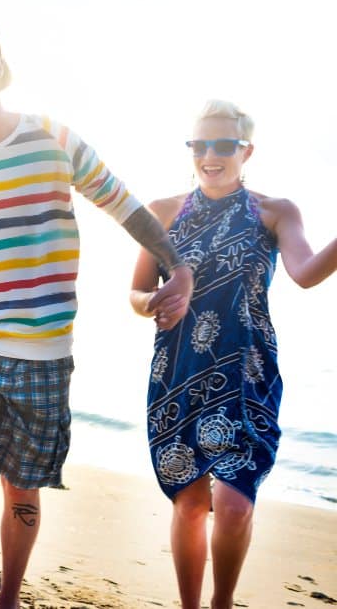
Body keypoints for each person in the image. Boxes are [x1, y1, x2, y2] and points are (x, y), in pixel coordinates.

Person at [0, 17, 194, 609]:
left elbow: (123, 203)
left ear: (1, 67)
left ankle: (7, 596)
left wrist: (176, 264)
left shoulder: (53, 138)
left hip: (45, 352)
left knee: (22, 489)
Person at [130, 100, 337, 609]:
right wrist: (154, 303)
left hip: (247, 372)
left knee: (236, 503)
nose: (210, 155)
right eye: (199, 145)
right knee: (192, 502)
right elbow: (135, 293)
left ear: (247, 150)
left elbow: (306, 272)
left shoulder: (276, 211)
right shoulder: (160, 213)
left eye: (223, 145)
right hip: (177, 370)